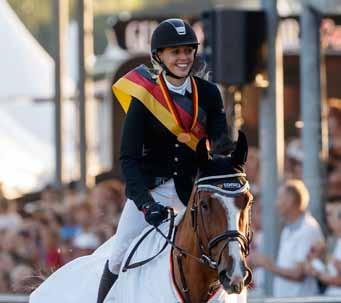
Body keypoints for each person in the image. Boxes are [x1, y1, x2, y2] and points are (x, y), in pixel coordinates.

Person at [96, 18, 229, 302]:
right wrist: (145, 203)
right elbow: (128, 159)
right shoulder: (145, 97)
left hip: (193, 193)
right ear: (160, 56)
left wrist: (225, 146)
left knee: (227, 248)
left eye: (187, 51)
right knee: (118, 256)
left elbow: (220, 143)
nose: (183, 58)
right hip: (150, 190)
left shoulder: (208, 93)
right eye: (175, 52)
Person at [252, 179, 324, 297]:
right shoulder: (287, 228)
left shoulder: (308, 229)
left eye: (280, 198)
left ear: (290, 201)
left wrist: (268, 264)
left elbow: (298, 274)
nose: (277, 204)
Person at [306, 196, 341, 295]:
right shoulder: (333, 240)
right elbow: (330, 270)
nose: (328, 219)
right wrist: (315, 262)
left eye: (331, 214)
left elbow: (337, 279)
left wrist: (318, 273)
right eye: (327, 214)